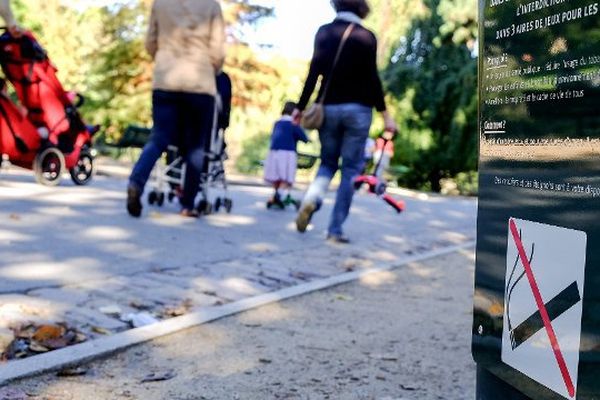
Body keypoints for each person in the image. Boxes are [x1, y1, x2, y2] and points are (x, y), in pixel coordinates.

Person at [292, 0, 397, 243]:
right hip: (358, 111)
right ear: (362, 7)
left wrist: (299, 107)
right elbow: (372, 79)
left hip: (327, 109)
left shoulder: (324, 32)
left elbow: (313, 74)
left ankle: (312, 199)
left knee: (327, 163)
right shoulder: (366, 37)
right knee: (351, 169)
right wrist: (386, 115)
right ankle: (335, 230)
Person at [127, 0, 225, 218]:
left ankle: (136, 181)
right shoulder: (212, 6)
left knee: (159, 137)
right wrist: (211, 68)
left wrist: (163, 59)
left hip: (166, 79)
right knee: (196, 147)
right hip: (199, 81)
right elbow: (218, 50)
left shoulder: (160, 3)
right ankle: (187, 203)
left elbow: (150, 42)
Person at [264, 101, 309, 208]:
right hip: (287, 153)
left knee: (276, 176)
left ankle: (276, 194)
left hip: (274, 151)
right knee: (286, 177)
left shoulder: (277, 123)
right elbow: (304, 138)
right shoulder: (293, 124)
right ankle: (278, 195)